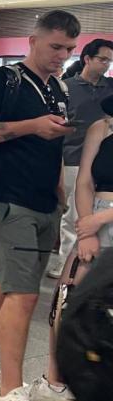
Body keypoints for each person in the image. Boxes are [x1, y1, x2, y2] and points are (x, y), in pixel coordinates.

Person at [0, 10, 78, 401]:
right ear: (33, 41)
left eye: (69, 49)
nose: (61, 55)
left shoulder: (58, 88)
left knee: (10, 283)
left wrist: (59, 191)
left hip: (43, 200)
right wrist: (31, 126)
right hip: (5, 199)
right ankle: (9, 389)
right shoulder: (2, 80)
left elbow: (51, 145)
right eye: (55, 47)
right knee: (24, 294)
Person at [29, 93, 113, 401]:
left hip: (101, 218)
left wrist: (100, 219)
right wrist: (88, 228)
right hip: (94, 219)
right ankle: (56, 381)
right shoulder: (102, 127)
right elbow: (85, 181)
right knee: (68, 297)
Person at [48, 39, 113, 278]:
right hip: (73, 156)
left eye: (109, 61)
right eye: (102, 59)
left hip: (103, 162)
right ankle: (67, 258)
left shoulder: (110, 86)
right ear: (87, 59)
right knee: (72, 214)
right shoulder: (67, 87)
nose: (106, 64)